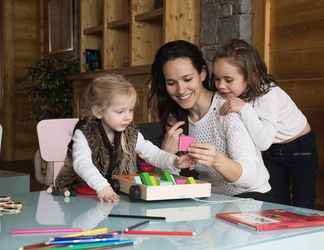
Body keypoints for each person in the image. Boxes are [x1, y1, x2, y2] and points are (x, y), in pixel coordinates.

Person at [149, 40, 271, 200]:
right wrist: (165, 155)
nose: (180, 90)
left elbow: (250, 179)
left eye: (187, 79)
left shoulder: (227, 112)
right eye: (171, 83)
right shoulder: (176, 119)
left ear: (203, 74)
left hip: (250, 199)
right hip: (208, 201)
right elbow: (167, 184)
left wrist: (216, 160)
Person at [211, 39, 318, 208]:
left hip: (299, 147)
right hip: (272, 150)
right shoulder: (233, 93)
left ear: (250, 76)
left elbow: (263, 142)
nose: (221, 86)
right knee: (277, 203)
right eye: (217, 79)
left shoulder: (268, 94)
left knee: (303, 203)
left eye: (228, 80)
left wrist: (244, 109)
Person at [55, 74, 192, 202]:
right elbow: (82, 163)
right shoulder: (84, 132)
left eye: (131, 110)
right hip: (78, 195)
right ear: (98, 111)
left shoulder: (130, 131)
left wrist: (174, 161)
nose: (128, 117)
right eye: (120, 111)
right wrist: (102, 187)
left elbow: (152, 153)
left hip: (115, 194)